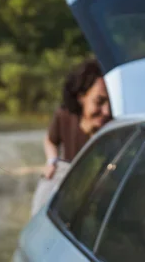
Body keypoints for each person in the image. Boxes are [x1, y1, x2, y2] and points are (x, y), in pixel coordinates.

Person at [31, 58, 112, 213]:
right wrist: (52, 161)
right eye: (99, 102)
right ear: (81, 96)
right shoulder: (64, 115)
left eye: (110, 102)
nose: (106, 111)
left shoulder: (113, 128)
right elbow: (50, 140)